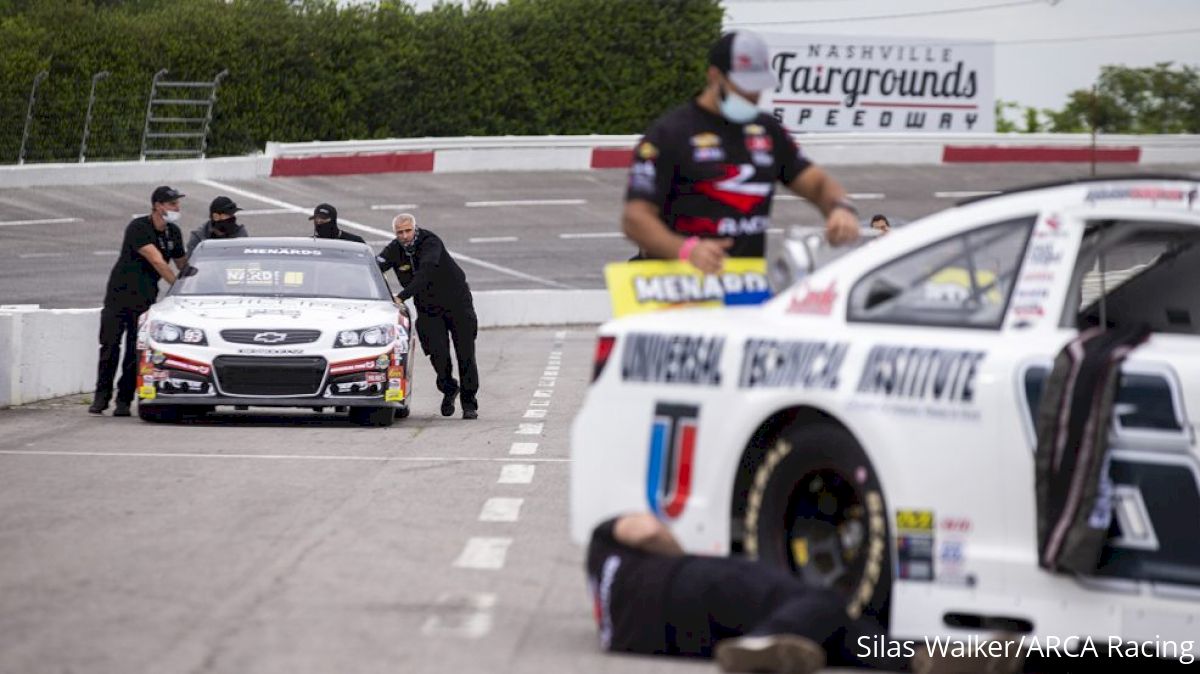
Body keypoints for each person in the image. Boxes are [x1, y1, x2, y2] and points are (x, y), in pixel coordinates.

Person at [585, 512, 1025, 674]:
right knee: (822, 602)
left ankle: (921, 658)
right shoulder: (602, 541)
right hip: (685, 585)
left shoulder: (611, 622)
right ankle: (763, 642)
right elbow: (644, 529)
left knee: (831, 636)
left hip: (671, 637)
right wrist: (679, 555)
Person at [622, 30, 860, 275]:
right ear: (715, 77)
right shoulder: (670, 133)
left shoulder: (767, 132)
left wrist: (840, 208)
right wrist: (686, 250)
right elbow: (635, 220)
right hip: (674, 285)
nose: (752, 96)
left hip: (743, 286)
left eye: (758, 87)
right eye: (744, 87)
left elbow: (817, 183)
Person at [89, 185, 189, 416]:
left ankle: (124, 400)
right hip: (119, 295)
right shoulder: (139, 227)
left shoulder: (173, 232)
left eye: (177, 203)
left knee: (136, 351)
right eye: (172, 204)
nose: (177, 208)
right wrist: (178, 288)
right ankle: (101, 398)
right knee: (110, 346)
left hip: (145, 298)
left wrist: (194, 281)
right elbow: (158, 261)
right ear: (158, 206)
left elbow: (181, 263)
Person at [376, 213, 479, 419]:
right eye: (399, 232)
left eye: (408, 231)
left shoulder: (430, 242)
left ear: (415, 228)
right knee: (437, 353)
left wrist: (402, 296)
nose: (404, 236)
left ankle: (469, 404)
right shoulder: (394, 249)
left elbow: (426, 273)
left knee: (465, 353)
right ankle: (449, 387)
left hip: (457, 302)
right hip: (428, 308)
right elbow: (374, 268)